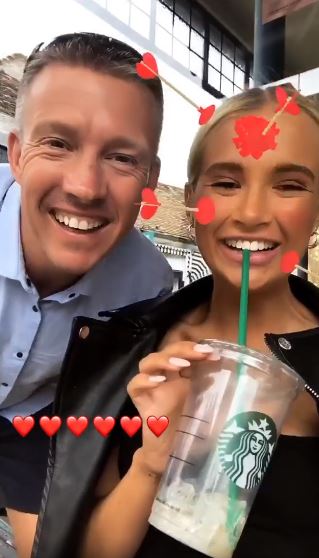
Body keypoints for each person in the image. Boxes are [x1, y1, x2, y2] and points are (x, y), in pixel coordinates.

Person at [33, 84, 319, 558]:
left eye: (289, 185)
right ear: (191, 202)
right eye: (226, 183)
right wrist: (152, 459)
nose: (251, 213)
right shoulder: (123, 351)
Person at [0, 31, 174, 558]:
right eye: (57, 142)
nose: (85, 186)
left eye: (122, 158)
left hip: (31, 420)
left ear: (150, 180)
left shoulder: (150, 284)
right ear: (16, 152)